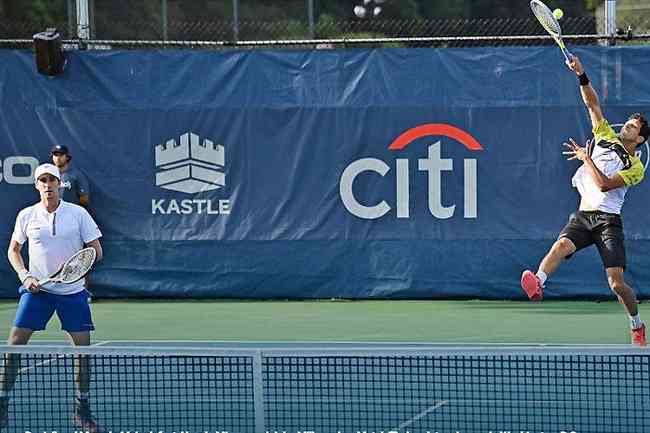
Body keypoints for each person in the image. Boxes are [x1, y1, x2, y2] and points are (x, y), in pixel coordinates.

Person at [520, 55, 650, 347]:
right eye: (627, 124)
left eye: (632, 128)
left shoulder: (635, 166)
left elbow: (604, 185)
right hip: (584, 214)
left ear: (640, 139)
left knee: (616, 284)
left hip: (607, 221)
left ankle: (636, 323)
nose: (626, 127)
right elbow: (592, 103)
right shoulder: (604, 134)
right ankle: (539, 281)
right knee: (561, 245)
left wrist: (586, 158)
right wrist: (581, 75)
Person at [0, 163, 103, 431]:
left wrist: (76, 272)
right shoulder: (26, 216)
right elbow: (13, 250)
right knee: (13, 348)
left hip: (73, 293)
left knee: (83, 354)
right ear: (37, 185)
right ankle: (2, 403)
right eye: (42, 181)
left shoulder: (78, 214)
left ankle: (82, 408)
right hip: (38, 293)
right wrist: (25, 276)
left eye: (52, 180)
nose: (47, 185)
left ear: (60, 184)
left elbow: (96, 251)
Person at [51, 144, 90, 208]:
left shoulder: (76, 175)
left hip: (70, 213)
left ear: (67, 157)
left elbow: (84, 199)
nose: (58, 158)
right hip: (51, 213)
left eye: (61, 155)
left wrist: (72, 208)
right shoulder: (48, 175)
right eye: (55, 155)